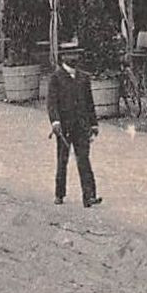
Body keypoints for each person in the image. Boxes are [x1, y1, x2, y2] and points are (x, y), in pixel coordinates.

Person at [45, 44, 101, 208]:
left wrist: (94, 124)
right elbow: (51, 103)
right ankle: (59, 193)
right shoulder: (56, 78)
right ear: (63, 57)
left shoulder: (83, 78)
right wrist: (55, 122)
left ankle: (89, 196)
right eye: (70, 54)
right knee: (62, 160)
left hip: (82, 126)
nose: (74, 57)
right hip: (64, 126)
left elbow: (89, 103)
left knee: (83, 159)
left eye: (76, 53)